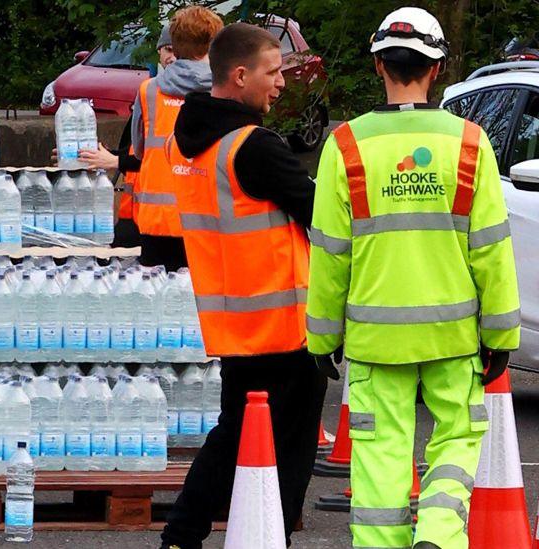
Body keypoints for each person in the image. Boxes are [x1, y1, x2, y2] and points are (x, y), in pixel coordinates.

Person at [307, 7, 519, 549]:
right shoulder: (471, 143)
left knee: (380, 460)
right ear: (440, 67)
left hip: (375, 341)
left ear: (378, 64)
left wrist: (322, 337)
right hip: (453, 337)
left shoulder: (346, 146)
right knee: (456, 440)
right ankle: (441, 534)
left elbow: (330, 254)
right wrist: (500, 337)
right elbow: (491, 253)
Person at [160, 22, 325, 548]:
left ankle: (188, 535)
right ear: (239, 75)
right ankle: (255, 535)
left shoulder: (183, 145)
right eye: (273, 72)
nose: (280, 83)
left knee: (235, 436)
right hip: (282, 326)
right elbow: (324, 217)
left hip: (233, 322)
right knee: (280, 447)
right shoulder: (253, 148)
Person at [131, 6, 222, 270]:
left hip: (155, 221)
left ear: (174, 46)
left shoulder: (148, 91)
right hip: (206, 221)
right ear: (213, 45)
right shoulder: (223, 91)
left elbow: (138, 151)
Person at [78, 25, 177, 248]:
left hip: (166, 223)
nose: (172, 58)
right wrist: (92, 157)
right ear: (159, 52)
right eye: (168, 50)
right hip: (134, 213)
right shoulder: (149, 95)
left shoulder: (189, 99)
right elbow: (136, 152)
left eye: (179, 52)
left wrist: (114, 161)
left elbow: (166, 159)